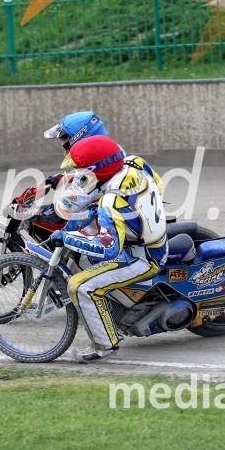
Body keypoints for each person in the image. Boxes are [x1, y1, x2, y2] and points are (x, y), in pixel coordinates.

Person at [49, 135, 168, 363]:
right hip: (154, 235)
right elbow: (159, 186)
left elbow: (108, 249)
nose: (80, 175)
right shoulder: (135, 163)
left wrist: (66, 238)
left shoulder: (111, 202)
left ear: (98, 170)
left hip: (142, 257)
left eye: (84, 171)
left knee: (80, 286)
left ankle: (104, 345)